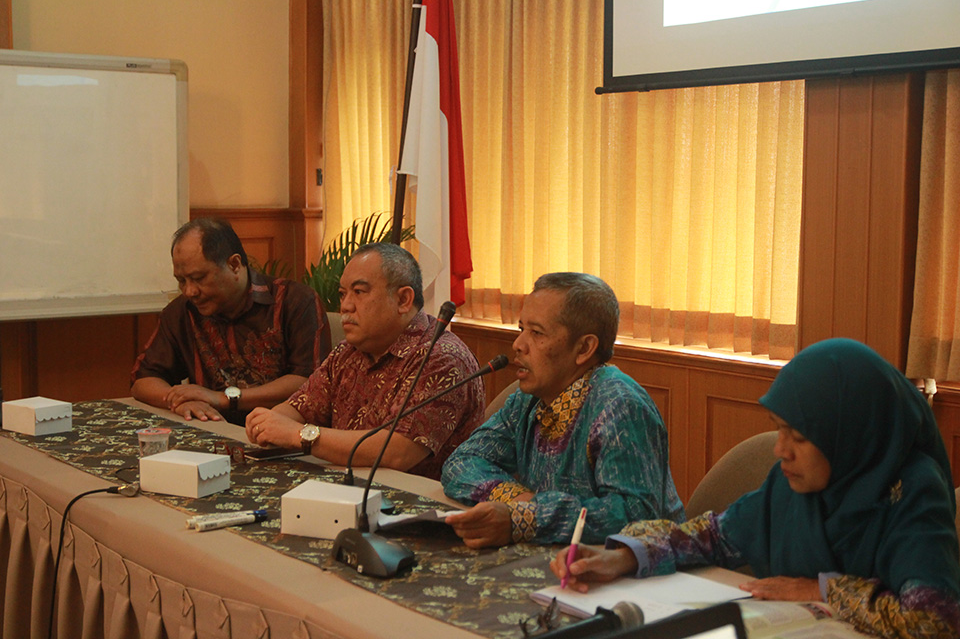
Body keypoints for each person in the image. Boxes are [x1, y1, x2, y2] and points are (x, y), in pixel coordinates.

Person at [552, 338, 960, 639]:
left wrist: (822, 589)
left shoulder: (913, 492)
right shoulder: (793, 486)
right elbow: (715, 535)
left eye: (798, 437)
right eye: (780, 432)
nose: (781, 451)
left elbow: (935, 620)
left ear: (850, 435)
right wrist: (621, 557)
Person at [441, 272, 684, 548]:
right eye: (521, 329)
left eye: (536, 333)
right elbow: (462, 462)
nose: (518, 345)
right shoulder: (530, 398)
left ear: (584, 348)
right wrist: (518, 501)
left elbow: (632, 517)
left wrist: (529, 516)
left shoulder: (621, 407)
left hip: (640, 574)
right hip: (558, 558)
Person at [244, 242, 485, 480]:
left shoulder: (442, 358)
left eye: (359, 292)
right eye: (343, 294)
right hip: (348, 491)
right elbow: (299, 408)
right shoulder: (349, 351)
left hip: (419, 506)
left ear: (403, 300)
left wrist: (299, 435)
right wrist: (270, 423)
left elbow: (398, 452)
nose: (346, 306)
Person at [131, 217, 331, 423]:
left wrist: (223, 399)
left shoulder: (295, 301)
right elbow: (144, 379)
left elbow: (310, 383)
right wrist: (180, 401)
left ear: (234, 264)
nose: (189, 291)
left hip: (285, 433)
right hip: (215, 430)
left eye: (199, 278)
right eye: (181, 281)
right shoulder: (182, 311)